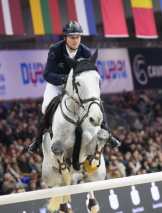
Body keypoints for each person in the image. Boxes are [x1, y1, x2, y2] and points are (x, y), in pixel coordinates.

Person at [28, 21, 121, 154]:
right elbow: (47, 74)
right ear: (65, 38)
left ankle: (106, 132)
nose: (75, 40)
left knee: (95, 101)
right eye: (72, 37)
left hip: (78, 85)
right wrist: (63, 79)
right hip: (58, 83)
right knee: (46, 105)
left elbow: (90, 74)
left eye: (78, 37)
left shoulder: (86, 51)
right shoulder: (55, 50)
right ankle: (37, 140)